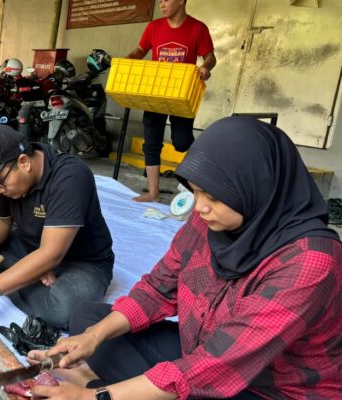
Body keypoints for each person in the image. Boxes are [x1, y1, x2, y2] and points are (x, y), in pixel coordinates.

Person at [29, 117, 342, 400]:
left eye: (214, 197)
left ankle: (114, 390)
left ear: (256, 188)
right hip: (202, 349)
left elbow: (218, 365)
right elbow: (160, 286)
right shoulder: (206, 221)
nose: (200, 208)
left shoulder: (310, 261)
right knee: (89, 319)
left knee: (183, 383)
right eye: (196, 192)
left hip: (270, 387)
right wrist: (93, 338)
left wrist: (92, 399)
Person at [0, 125, 114, 329]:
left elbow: (52, 253)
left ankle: (16, 275)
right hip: (30, 247)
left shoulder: (71, 175)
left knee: (62, 309)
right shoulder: (3, 175)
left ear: (24, 162)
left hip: (79, 263)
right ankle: (28, 272)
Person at [127, 0, 216, 202]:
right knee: (151, 142)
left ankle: (193, 181)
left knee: (182, 142)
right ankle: (153, 193)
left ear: (182, 1)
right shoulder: (153, 27)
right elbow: (139, 51)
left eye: (166, 0)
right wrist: (124, 63)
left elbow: (210, 57)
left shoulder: (198, 28)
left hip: (181, 95)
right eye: (160, 1)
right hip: (155, 92)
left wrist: (206, 67)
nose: (162, 4)